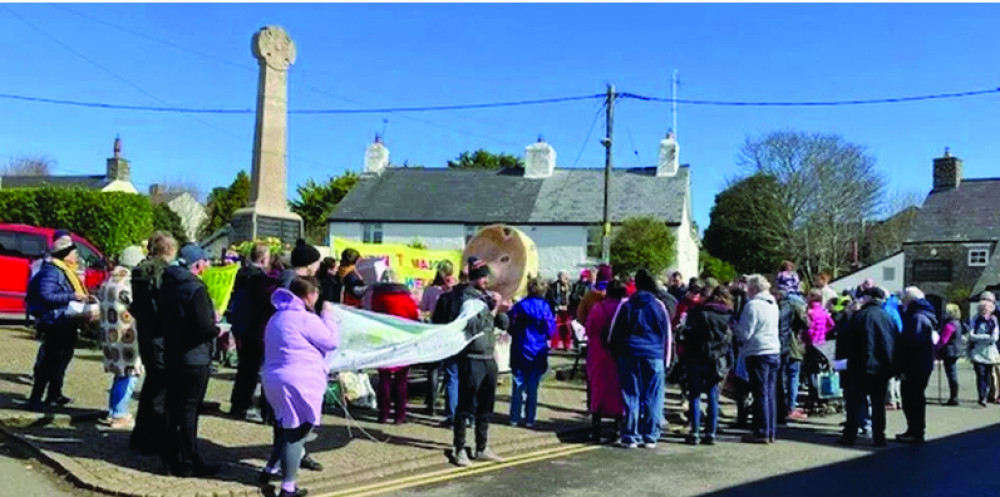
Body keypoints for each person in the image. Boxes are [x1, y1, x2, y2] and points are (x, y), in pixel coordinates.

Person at [259, 277, 340, 497]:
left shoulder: (276, 317)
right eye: (316, 293)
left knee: (287, 428)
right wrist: (328, 315)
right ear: (310, 294)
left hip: (273, 379)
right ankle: (288, 488)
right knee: (298, 433)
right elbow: (331, 341)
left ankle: (268, 470)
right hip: (301, 380)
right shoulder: (305, 319)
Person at [160, 244, 220, 477]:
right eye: (204, 262)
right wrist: (217, 330)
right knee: (189, 409)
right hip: (194, 357)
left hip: (172, 353)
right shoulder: (196, 288)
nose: (206, 266)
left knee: (172, 406)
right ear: (197, 264)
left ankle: (169, 458)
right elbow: (204, 327)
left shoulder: (167, 282)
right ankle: (189, 461)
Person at [448, 258, 510, 467]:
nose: (486, 281)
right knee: (465, 406)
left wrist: (501, 310)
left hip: (488, 358)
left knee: (486, 406)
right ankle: (459, 448)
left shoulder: (485, 298)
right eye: (483, 277)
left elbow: (502, 324)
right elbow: (471, 327)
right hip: (472, 359)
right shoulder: (466, 299)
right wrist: (491, 310)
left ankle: (482, 447)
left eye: (486, 277)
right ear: (475, 279)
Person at [25, 232, 90, 411]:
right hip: (55, 322)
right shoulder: (52, 270)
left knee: (62, 359)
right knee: (50, 360)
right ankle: (35, 398)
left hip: (66, 321)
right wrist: (72, 295)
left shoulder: (66, 270)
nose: (76, 255)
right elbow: (46, 295)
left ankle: (54, 394)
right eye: (73, 252)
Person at [608, 269, 671, 449]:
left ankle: (630, 435)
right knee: (653, 396)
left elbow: (615, 332)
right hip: (654, 354)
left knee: (631, 394)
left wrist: (616, 353)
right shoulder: (659, 305)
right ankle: (650, 436)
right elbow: (666, 335)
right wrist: (666, 361)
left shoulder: (626, 304)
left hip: (629, 353)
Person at [129, 233, 178, 454]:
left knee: (152, 386)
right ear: (169, 249)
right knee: (160, 388)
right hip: (160, 335)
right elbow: (164, 305)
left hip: (146, 333)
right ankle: (152, 438)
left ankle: (141, 435)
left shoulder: (141, 269)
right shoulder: (161, 272)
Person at [837, 287, 896, 447]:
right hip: (882, 367)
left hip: (859, 366)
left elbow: (846, 341)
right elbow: (894, 342)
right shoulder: (888, 318)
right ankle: (879, 436)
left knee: (855, 403)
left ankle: (850, 435)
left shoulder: (859, 317)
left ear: (869, 298)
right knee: (878, 405)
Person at [97, 246, 146, 429]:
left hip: (110, 334)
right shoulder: (128, 282)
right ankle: (119, 413)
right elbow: (138, 306)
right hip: (127, 337)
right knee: (130, 373)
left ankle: (113, 410)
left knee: (119, 374)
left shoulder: (109, 280)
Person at [228, 243, 275, 422]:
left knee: (244, 370)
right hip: (257, 330)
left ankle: (238, 405)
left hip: (242, 329)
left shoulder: (240, 275)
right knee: (261, 370)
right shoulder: (261, 280)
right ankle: (264, 410)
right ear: (264, 258)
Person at [681, 286, 733, 445]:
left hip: (697, 357)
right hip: (716, 359)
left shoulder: (698, 313)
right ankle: (711, 432)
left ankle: (695, 431)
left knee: (694, 395)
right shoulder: (727, 316)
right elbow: (730, 340)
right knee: (713, 396)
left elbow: (687, 334)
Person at [735, 274, 780, 444]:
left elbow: (746, 332)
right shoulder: (773, 304)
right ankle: (770, 430)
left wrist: (735, 331)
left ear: (753, 289)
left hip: (758, 351)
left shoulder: (752, 305)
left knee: (760, 393)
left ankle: (761, 431)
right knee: (769, 393)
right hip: (773, 349)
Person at [371, 269, 420, 424]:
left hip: (382, 339)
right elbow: (413, 316)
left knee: (384, 378)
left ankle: (383, 413)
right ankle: (399, 415)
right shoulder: (405, 298)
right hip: (401, 339)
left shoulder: (377, 296)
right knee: (401, 379)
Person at [507, 277, 556, 428]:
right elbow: (551, 331)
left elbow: (510, 325)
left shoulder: (520, 306)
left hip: (520, 348)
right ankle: (529, 419)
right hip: (537, 351)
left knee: (518, 385)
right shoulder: (545, 308)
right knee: (533, 387)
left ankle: (514, 418)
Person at [584, 279, 627, 441]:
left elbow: (589, 330)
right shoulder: (625, 308)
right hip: (619, 354)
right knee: (618, 390)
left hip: (598, 354)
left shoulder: (598, 308)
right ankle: (617, 428)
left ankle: (595, 428)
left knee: (598, 389)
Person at [895, 286, 938, 444]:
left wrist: (903, 365)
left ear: (909, 299)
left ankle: (916, 431)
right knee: (915, 398)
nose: (902, 301)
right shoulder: (922, 314)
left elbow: (912, 344)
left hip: (915, 365)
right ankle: (914, 429)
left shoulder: (917, 317)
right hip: (922, 364)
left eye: (904, 298)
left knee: (912, 398)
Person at [431, 269, 470, 426]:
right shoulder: (474, 299)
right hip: (468, 342)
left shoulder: (446, 298)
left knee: (452, 378)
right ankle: (467, 416)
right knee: (467, 379)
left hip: (450, 342)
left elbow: (437, 322)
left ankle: (452, 415)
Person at [420, 261, 456, 416]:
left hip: (435, 328)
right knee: (450, 370)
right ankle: (450, 405)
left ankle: (431, 403)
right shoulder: (454, 290)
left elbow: (423, 308)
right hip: (451, 329)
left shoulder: (430, 290)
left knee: (433, 369)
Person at [776, 289, 810, 424]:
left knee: (781, 378)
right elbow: (807, 324)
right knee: (793, 377)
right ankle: (791, 407)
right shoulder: (796, 307)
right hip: (794, 346)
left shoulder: (777, 306)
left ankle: (780, 407)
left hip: (779, 346)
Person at [967, 299, 999, 407]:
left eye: (986, 309)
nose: (984, 311)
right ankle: (982, 397)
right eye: (982, 309)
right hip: (977, 352)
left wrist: (980, 338)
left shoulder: (993, 320)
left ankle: (987, 394)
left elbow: (994, 337)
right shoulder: (975, 319)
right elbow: (971, 336)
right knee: (980, 375)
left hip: (989, 353)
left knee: (988, 376)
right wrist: (986, 337)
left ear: (990, 310)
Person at [936, 303, 964, 406]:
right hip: (955, 350)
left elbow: (943, 340)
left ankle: (954, 397)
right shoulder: (957, 323)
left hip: (949, 352)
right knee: (952, 374)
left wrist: (936, 348)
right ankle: (954, 396)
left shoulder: (949, 325)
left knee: (951, 374)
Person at [547, 271, 572, 350]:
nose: (566, 279)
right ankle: (554, 344)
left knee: (566, 328)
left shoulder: (569, 285)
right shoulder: (554, 286)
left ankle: (566, 345)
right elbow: (552, 297)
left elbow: (571, 296)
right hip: (557, 309)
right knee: (556, 327)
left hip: (567, 309)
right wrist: (558, 305)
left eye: (566, 277)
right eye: (564, 277)